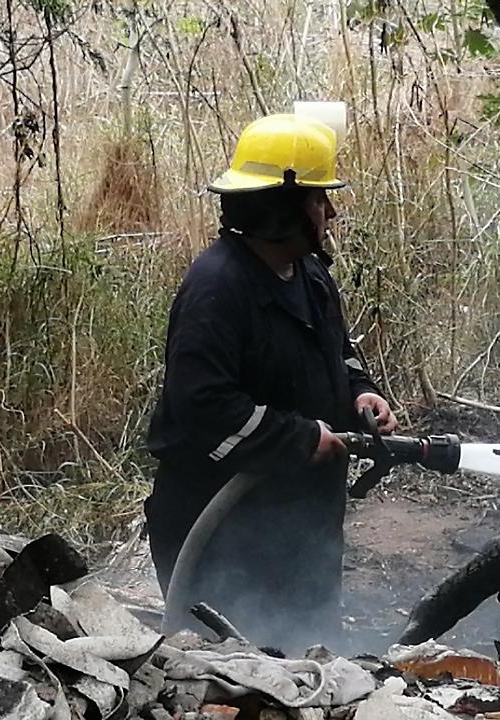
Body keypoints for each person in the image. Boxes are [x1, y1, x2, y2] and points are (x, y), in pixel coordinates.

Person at [144, 111, 396, 652]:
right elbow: (203, 406)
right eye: (318, 199)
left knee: (313, 673)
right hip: (222, 540)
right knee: (238, 686)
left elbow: (336, 350)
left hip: (299, 532)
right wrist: (300, 439)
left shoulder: (308, 272)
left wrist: (360, 393)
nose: (329, 210)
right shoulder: (217, 289)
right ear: (283, 209)